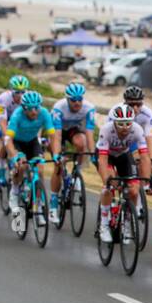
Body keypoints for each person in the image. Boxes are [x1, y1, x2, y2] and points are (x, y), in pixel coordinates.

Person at [95, 104, 150, 243]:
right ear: (114, 122)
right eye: (121, 124)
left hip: (124, 155)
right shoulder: (106, 130)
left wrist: (147, 180)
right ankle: (104, 224)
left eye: (128, 123)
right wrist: (106, 180)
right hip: (107, 156)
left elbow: (144, 156)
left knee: (133, 190)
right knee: (109, 186)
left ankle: (126, 224)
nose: (125, 127)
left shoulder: (137, 129)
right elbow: (102, 160)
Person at [48, 82, 97, 226]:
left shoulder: (89, 108)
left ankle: (77, 171)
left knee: (81, 143)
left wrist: (93, 154)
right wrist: (57, 155)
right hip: (57, 131)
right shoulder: (58, 108)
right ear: (67, 99)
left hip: (72, 130)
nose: (77, 103)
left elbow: (89, 134)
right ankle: (53, 202)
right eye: (73, 100)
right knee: (58, 164)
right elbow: (56, 136)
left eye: (79, 99)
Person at [3, 90, 56, 212]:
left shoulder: (44, 113)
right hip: (17, 143)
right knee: (21, 166)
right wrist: (14, 156)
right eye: (30, 109)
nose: (34, 111)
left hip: (32, 142)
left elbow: (53, 136)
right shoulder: (17, 115)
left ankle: (38, 202)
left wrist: (56, 154)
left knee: (40, 169)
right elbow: (8, 139)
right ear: (23, 108)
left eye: (36, 108)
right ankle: (15, 191)